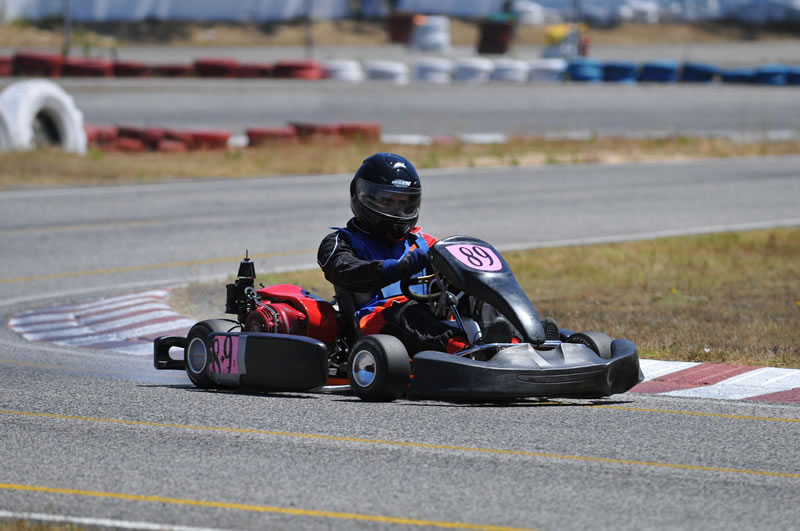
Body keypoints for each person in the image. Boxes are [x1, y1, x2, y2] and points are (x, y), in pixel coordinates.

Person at [317, 152, 509, 355]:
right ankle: (468, 351)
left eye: (403, 203)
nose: (398, 211)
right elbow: (348, 272)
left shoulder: (423, 242)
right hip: (375, 324)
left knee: (479, 294)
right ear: (363, 196)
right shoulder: (341, 242)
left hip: (429, 315)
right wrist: (397, 268)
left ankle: (513, 343)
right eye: (387, 201)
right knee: (409, 312)